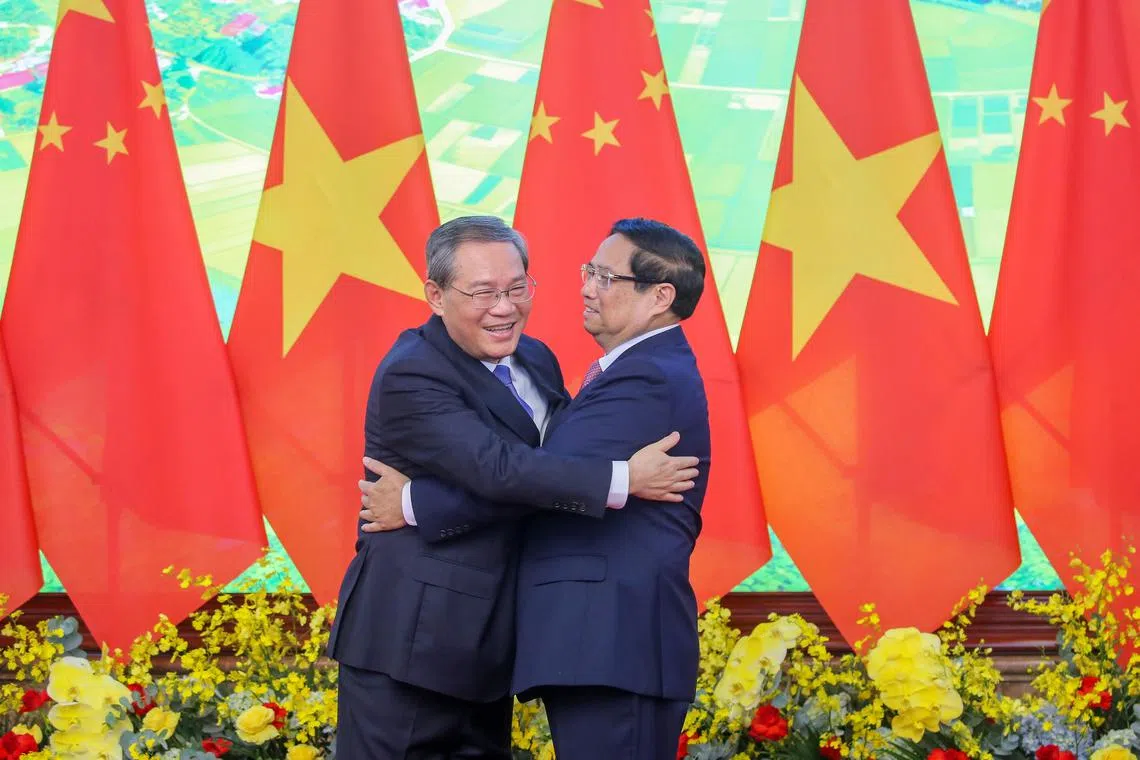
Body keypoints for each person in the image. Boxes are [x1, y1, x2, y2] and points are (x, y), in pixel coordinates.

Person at [327, 215, 699, 759]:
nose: (504, 308)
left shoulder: (535, 357)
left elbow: (547, 468)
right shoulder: (413, 372)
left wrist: (413, 504)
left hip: (490, 651)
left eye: (517, 288)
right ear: (435, 294)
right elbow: (499, 470)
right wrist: (623, 477)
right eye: (482, 292)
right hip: (411, 645)